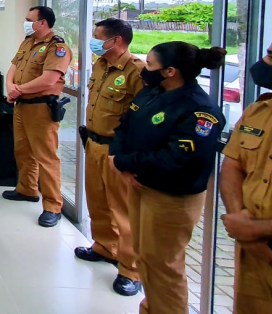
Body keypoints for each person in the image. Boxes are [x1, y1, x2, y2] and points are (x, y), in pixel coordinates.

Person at [110, 42, 226, 314]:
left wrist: (125, 162)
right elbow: (124, 127)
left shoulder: (199, 111)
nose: (144, 69)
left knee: (163, 265)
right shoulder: (151, 93)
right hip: (141, 184)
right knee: (146, 257)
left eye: (150, 65)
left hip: (171, 197)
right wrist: (121, 162)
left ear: (170, 71)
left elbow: (177, 158)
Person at [72, 19, 144, 296]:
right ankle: (104, 246)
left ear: (116, 41)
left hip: (117, 149)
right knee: (98, 201)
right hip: (94, 142)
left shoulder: (136, 71)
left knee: (123, 211)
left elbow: (142, 117)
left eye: (97, 36)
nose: (92, 40)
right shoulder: (101, 65)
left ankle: (131, 270)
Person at [2, 6, 73, 228]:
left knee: (46, 157)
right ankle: (27, 189)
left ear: (42, 22)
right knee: (23, 151)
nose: (25, 22)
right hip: (22, 106)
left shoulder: (57, 47)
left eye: (28, 19)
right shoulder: (28, 41)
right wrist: (10, 87)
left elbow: (49, 80)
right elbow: (13, 67)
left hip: (41, 108)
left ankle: (53, 206)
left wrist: (18, 90)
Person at [220, 41, 272, 311]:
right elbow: (232, 167)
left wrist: (257, 230)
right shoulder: (258, 111)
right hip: (252, 250)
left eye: (271, 56)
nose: (264, 63)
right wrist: (241, 222)